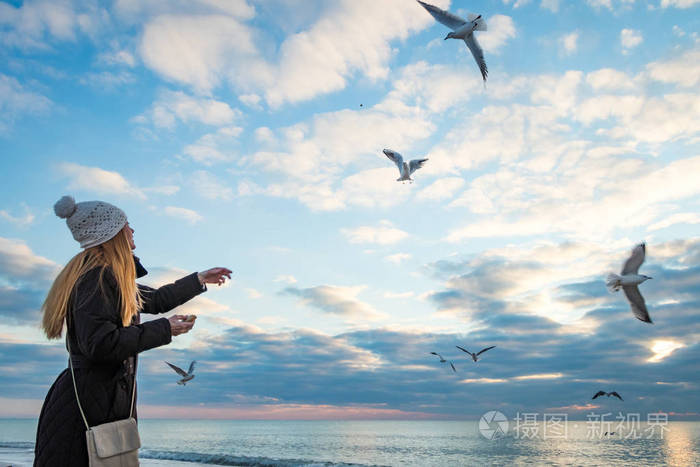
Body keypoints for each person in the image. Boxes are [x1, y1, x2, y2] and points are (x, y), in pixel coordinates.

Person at [34, 196, 231, 466]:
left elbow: (157, 299)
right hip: (86, 408)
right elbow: (100, 344)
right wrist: (166, 329)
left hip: (99, 399)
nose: (133, 230)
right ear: (111, 234)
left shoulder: (108, 275)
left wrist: (199, 279)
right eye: (126, 224)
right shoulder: (97, 276)